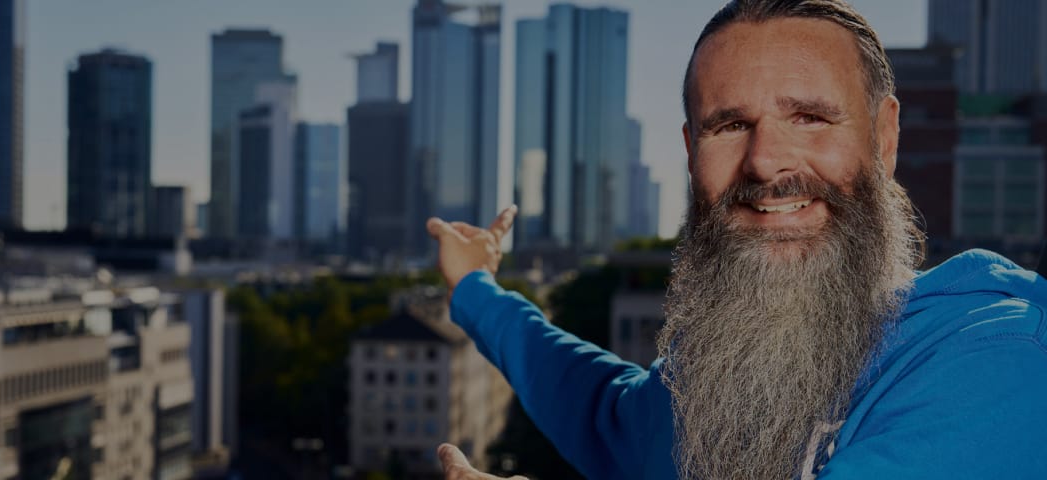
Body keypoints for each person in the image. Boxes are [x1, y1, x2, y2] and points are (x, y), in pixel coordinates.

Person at [425, 0, 1047, 479]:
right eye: (729, 125)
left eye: (809, 117)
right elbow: (599, 411)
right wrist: (476, 288)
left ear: (883, 140)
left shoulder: (997, 356)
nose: (766, 162)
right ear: (692, 153)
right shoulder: (712, 388)